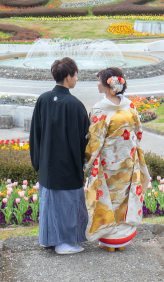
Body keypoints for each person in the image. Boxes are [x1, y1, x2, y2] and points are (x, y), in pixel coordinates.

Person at [83, 68, 151, 252]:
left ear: (108, 85)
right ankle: (122, 240)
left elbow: (95, 141)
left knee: (107, 200)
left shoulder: (100, 109)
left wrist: (86, 163)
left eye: (99, 80)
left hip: (108, 164)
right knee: (123, 199)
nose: (97, 83)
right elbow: (138, 132)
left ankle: (109, 241)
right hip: (128, 161)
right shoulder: (130, 106)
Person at [29, 57, 90, 255]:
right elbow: (84, 139)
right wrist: (82, 163)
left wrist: (38, 161)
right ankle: (64, 242)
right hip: (67, 165)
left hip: (47, 163)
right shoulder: (74, 105)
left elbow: (35, 133)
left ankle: (49, 240)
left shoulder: (43, 99)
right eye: (75, 75)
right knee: (67, 204)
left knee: (49, 203)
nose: (77, 79)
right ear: (67, 77)